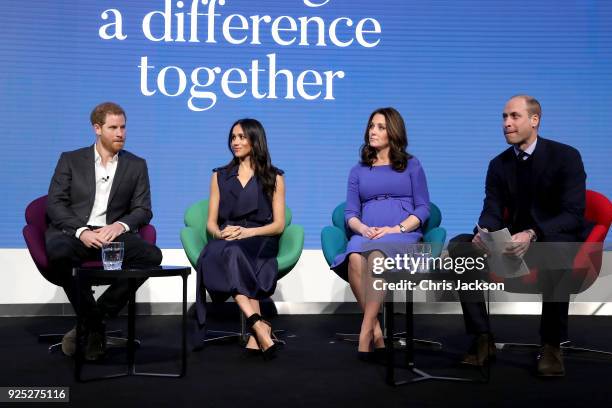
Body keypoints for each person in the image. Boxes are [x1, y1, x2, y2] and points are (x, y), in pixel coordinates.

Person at [450, 95, 591, 377]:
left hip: (550, 238)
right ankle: (482, 338)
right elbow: (491, 208)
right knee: (459, 246)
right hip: (510, 243)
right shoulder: (498, 164)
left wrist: (532, 233)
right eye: (504, 117)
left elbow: (573, 214)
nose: (506, 123)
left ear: (534, 120)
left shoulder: (565, 156)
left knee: (558, 250)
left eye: (514, 116)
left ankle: (551, 345)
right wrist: (485, 231)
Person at [45, 102, 163, 360]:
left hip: (112, 235)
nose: (120, 133)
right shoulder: (71, 159)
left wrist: (118, 226)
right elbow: (54, 203)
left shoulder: (136, 164)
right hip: (76, 233)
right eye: (113, 128)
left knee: (152, 257)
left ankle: (92, 319)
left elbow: (143, 210)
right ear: (97, 128)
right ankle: (96, 326)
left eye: (123, 127)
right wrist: (82, 231)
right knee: (59, 253)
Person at [330, 107, 430, 360]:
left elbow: (423, 209)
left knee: (376, 256)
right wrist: (363, 228)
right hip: (368, 233)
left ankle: (365, 332)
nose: (372, 131)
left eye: (380, 127)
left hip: (402, 234)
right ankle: (376, 330)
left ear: (393, 132)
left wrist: (397, 228)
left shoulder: (411, 165)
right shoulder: (358, 170)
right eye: (371, 126)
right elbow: (350, 213)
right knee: (354, 256)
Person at [195, 118, 285, 359]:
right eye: (233, 137)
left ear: (256, 140)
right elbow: (211, 223)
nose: (236, 142)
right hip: (227, 237)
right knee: (231, 251)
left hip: (259, 237)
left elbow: (278, 225)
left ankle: (257, 329)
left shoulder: (274, 177)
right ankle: (258, 323)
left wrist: (248, 232)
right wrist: (220, 233)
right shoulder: (219, 176)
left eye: (242, 137)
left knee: (236, 252)